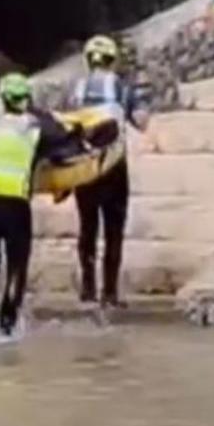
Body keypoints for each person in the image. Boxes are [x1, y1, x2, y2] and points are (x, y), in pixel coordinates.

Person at [0, 73, 78, 337]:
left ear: (2, 99)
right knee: (16, 267)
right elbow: (66, 141)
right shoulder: (34, 128)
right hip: (14, 202)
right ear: (26, 99)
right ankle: (6, 328)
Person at [70, 34, 151, 307]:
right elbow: (142, 122)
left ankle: (87, 290)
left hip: (83, 168)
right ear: (112, 59)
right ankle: (110, 293)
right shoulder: (121, 87)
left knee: (87, 227)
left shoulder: (77, 89)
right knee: (113, 230)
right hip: (114, 167)